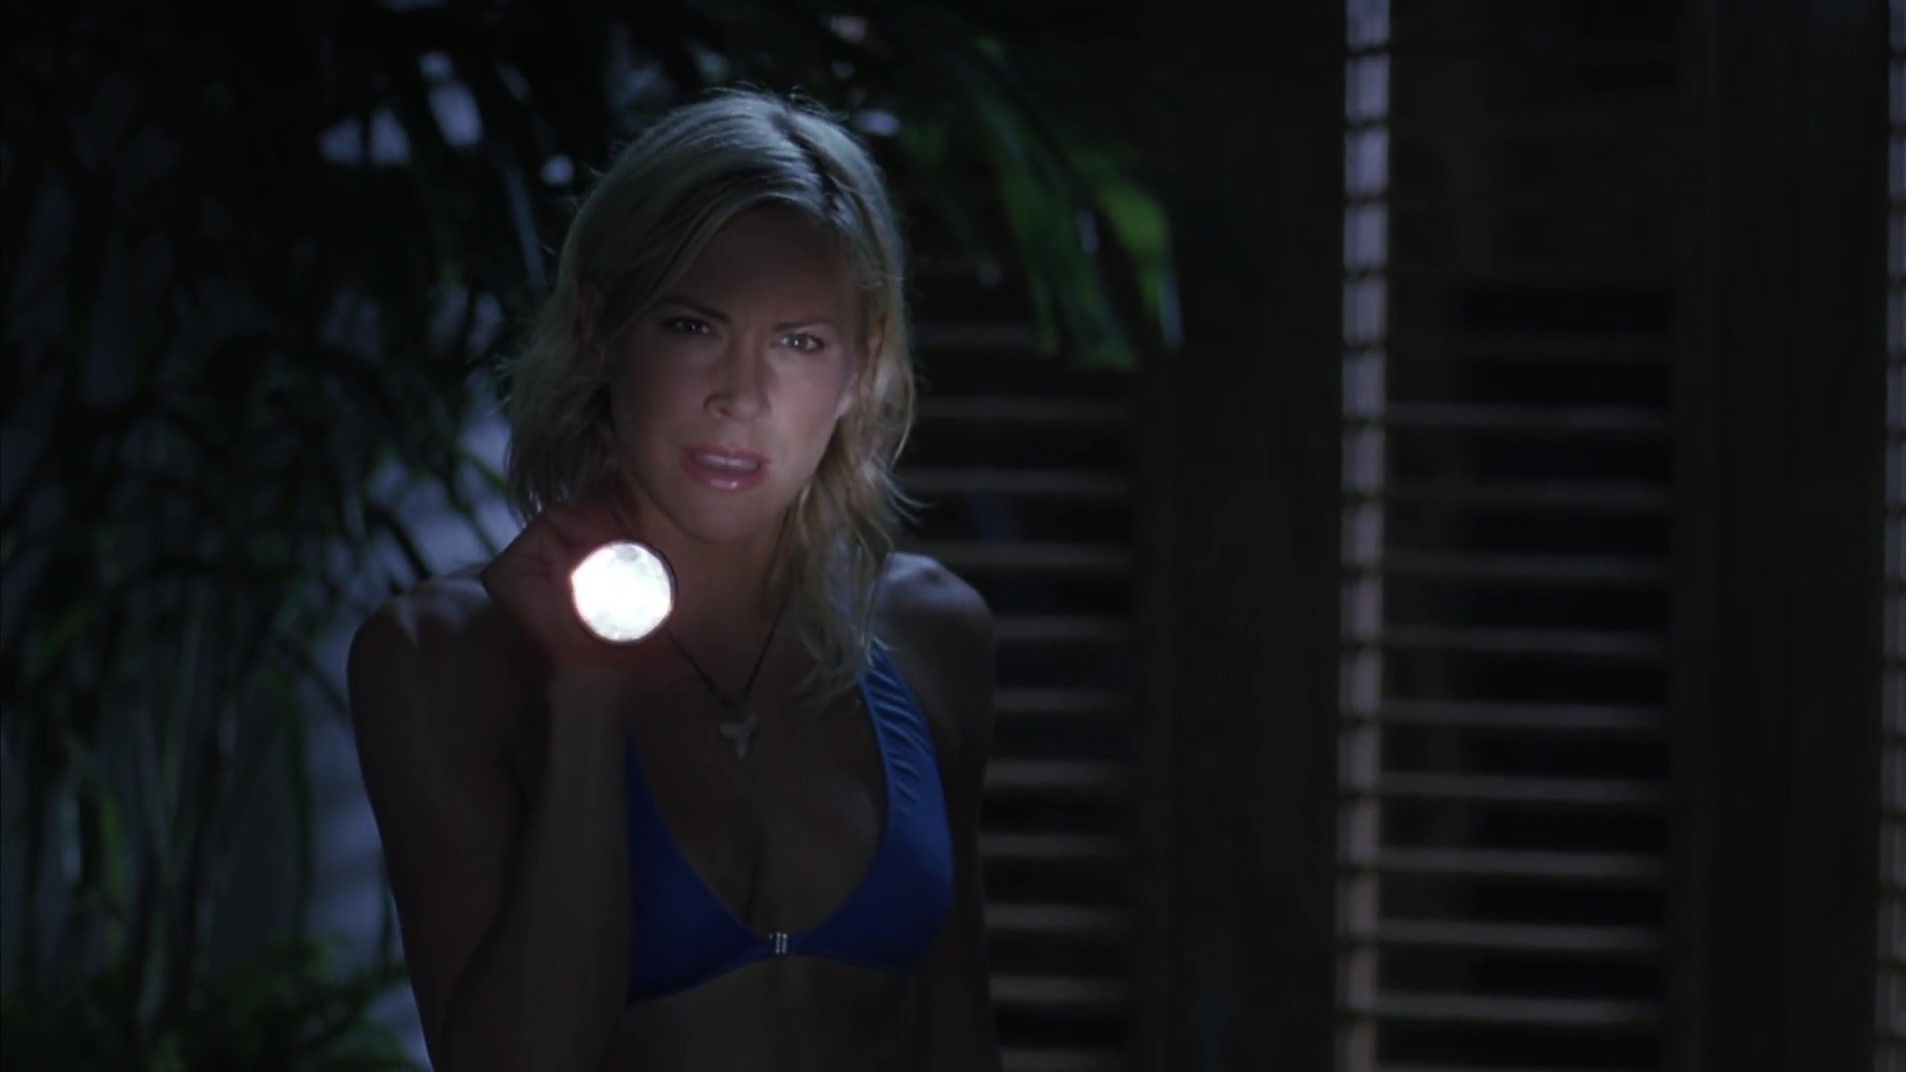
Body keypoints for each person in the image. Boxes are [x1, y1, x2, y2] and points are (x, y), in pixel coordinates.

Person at [346, 89, 1002, 1071]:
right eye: (694, 326)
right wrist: (584, 698)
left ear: (862, 368)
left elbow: (957, 1036)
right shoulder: (441, 657)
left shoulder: (931, 631)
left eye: (799, 342)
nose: (742, 396)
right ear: (601, 327)